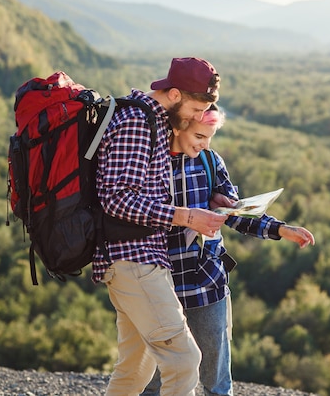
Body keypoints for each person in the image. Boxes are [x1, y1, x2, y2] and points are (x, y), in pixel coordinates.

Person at [141, 104, 316, 396]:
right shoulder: (147, 163)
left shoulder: (210, 161)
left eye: (209, 137)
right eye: (199, 135)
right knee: (154, 381)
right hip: (159, 285)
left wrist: (281, 229)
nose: (205, 144)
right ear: (178, 126)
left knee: (217, 381)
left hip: (206, 282)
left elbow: (238, 213)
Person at [93, 57, 230, 396]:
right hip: (133, 262)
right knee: (184, 361)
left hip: (141, 262)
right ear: (173, 95)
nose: (199, 118)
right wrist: (185, 217)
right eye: (197, 108)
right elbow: (115, 199)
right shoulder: (137, 123)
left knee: (135, 372)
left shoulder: (153, 123)